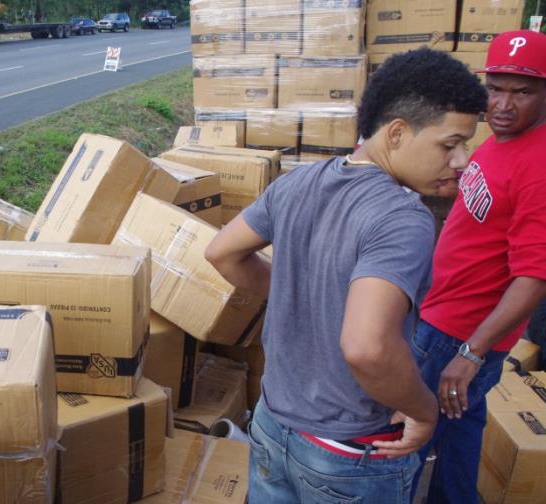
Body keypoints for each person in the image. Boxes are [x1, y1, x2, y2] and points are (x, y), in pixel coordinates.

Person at [205, 47, 487, 503]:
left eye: (466, 144)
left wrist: (302, 296)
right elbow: (368, 348)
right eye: (450, 143)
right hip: (349, 455)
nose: (462, 160)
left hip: (273, 427)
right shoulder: (402, 218)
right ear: (397, 132)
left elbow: (222, 253)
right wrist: (424, 410)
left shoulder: (298, 182)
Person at [411, 30, 546, 503]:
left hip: (459, 331)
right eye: (495, 88)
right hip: (448, 315)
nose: (503, 104)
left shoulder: (540, 164)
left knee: (409, 438)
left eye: (523, 91)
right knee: (457, 431)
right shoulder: (499, 140)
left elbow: (534, 277)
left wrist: (470, 353)